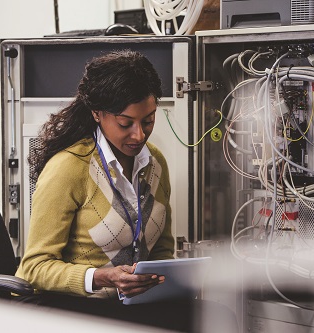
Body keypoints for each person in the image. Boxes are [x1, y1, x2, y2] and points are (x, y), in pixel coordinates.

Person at [15, 50, 238, 333]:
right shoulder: (69, 167)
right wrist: (101, 277)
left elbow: (161, 251)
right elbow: (34, 268)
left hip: (133, 303)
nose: (139, 135)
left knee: (217, 317)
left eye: (148, 121)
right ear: (97, 113)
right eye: (125, 123)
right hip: (77, 304)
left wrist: (169, 279)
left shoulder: (155, 163)